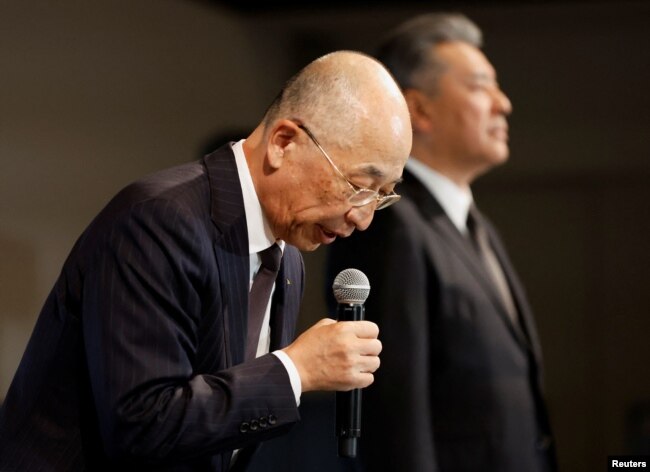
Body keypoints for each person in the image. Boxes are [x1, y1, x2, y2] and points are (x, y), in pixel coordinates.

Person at [0, 50, 412, 471]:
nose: (362, 218)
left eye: (383, 196)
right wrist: (295, 369)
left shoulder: (288, 259)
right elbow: (143, 422)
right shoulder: (159, 220)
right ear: (283, 143)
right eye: (360, 186)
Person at [327, 13, 557, 472]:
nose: (503, 103)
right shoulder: (392, 224)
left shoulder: (477, 226)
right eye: (479, 86)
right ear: (420, 110)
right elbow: (395, 410)